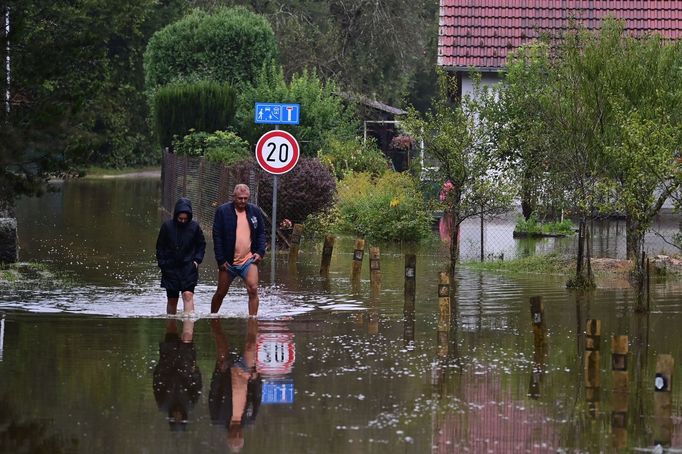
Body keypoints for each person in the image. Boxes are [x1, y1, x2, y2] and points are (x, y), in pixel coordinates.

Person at [211, 184, 266, 316]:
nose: (242, 201)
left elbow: (261, 234)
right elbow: (217, 236)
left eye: (245, 198)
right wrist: (220, 259)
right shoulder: (222, 211)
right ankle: (213, 317)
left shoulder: (255, 212)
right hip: (228, 261)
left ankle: (253, 320)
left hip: (248, 259)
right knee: (221, 293)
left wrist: (259, 252)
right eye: (240, 198)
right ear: (234, 197)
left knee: (253, 289)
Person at [209, 318, 262, 452]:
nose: (238, 434)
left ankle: (214, 319)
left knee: (220, 341)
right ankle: (253, 320)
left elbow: (213, 393)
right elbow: (257, 398)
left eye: (235, 437)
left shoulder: (218, 419)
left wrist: (218, 372)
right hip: (246, 374)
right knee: (251, 345)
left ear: (228, 436)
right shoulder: (250, 419)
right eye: (239, 437)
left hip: (226, 373)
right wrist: (256, 379)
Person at [156, 197, 206, 315]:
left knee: (188, 295)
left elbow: (201, 244)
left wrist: (197, 261)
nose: (183, 221)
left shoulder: (194, 227)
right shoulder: (167, 227)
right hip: (170, 267)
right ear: (176, 215)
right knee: (172, 299)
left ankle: (188, 328)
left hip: (189, 266)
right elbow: (160, 247)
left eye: (185, 218)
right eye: (180, 218)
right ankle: (171, 327)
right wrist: (163, 264)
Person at [152, 319, 202, 431]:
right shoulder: (189, 405)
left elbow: (156, 383)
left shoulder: (163, 405)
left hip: (169, 365)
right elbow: (197, 385)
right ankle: (183, 314)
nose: (177, 416)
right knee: (186, 336)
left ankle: (177, 315)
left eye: (176, 418)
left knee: (172, 330)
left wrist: (161, 367)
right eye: (178, 418)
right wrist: (194, 370)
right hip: (185, 366)